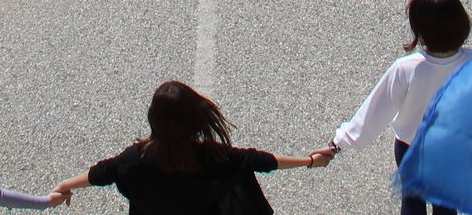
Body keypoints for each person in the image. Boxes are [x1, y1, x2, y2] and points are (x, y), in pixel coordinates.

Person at [320, 0, 472, 214]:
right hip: (453, 147)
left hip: (410, 147)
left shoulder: (407, 68)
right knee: (446, 205)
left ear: (420, 30)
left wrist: (338, 143)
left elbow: (375, 111)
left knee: (412, 200)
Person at [51, 81, 328, 209]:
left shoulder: (134, 161)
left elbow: (101, 173)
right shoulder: (216, 158)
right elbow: (263, 161)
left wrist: (65, 185)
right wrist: (311, 161)